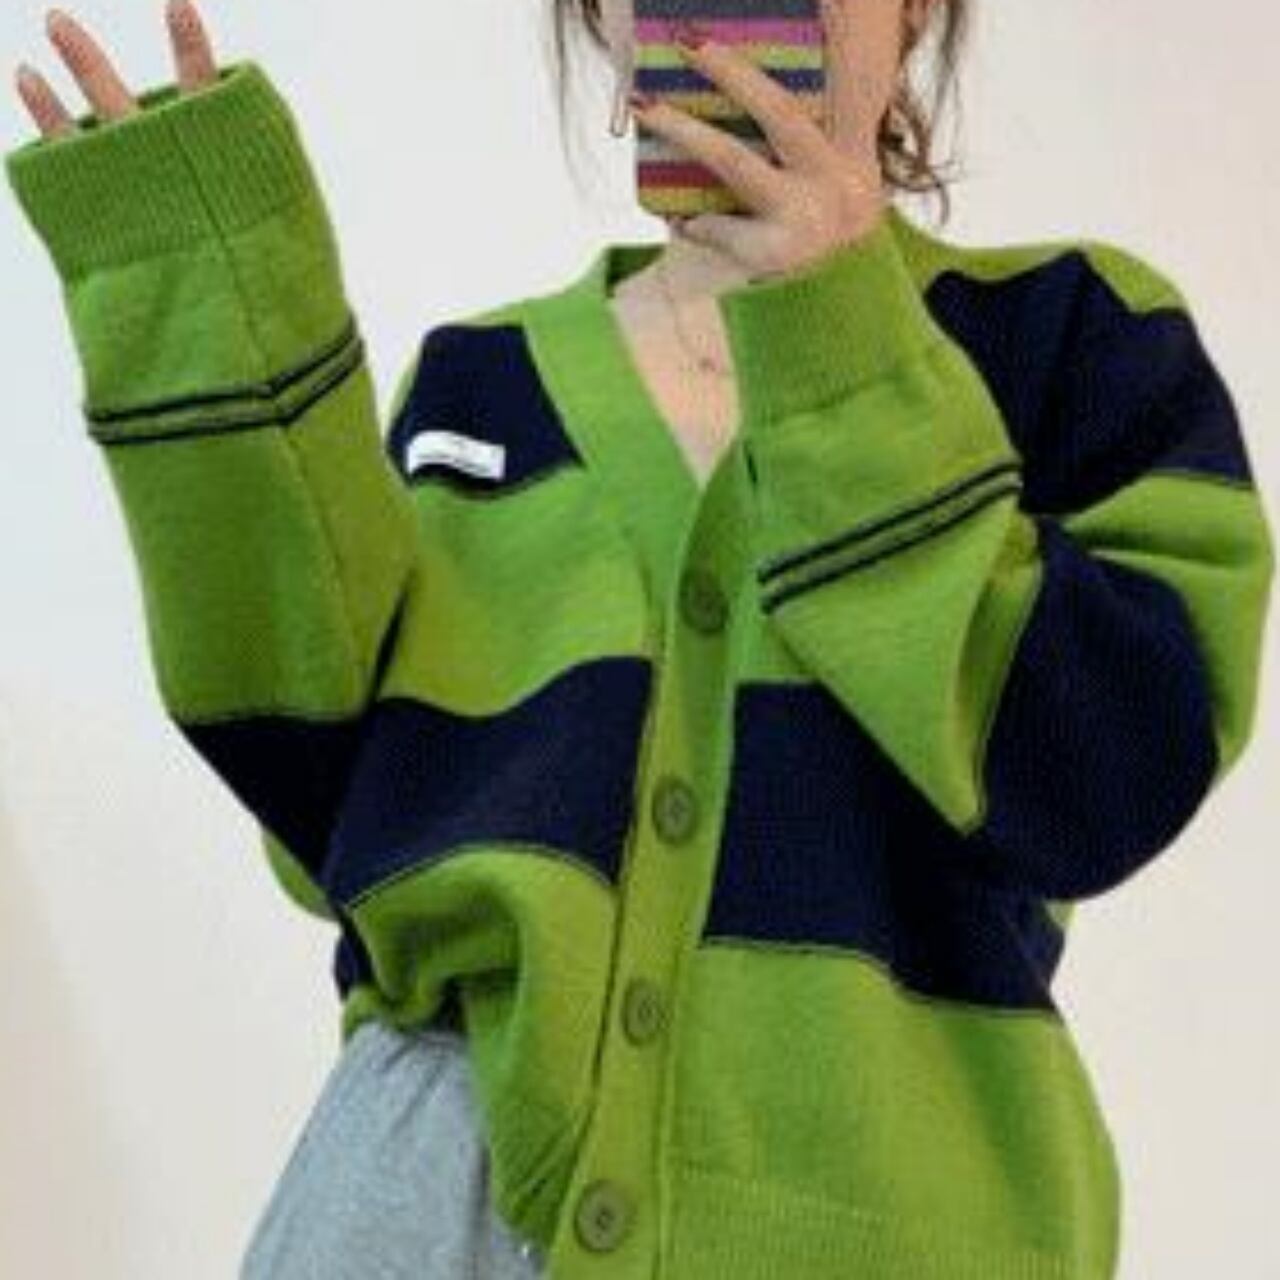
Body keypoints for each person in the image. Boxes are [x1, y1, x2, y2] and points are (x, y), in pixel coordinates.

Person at [7, 2, 1273, 1278]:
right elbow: (329, 816)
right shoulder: (481, 384)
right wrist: (216, 337)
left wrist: (840, 340)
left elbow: (1107, 773)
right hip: (414, 1216)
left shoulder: (1072, 337)